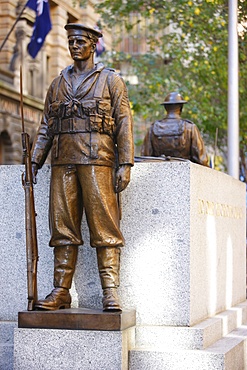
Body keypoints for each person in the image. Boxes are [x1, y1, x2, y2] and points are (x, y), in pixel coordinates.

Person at [31, 23, 134, 311]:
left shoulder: (111, 81)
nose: (74, 46)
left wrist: (125, 162)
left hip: (97, 161)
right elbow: (46, 127)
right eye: (71, 41)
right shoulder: (57, 83)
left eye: (79, 41)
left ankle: (110, 292)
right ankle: (60, 291)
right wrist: (35, 161)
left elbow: (124, 123)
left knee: (105, 228)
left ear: (92, 45)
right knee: (62, 229)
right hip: (63, 162)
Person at [141, 92, 208, 166]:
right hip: (185, 174)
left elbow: (145, 158)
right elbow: (201, 159)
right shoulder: (190, 128)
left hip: (159, 174)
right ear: (181, 107)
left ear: (165, 108)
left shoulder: (152, 128)